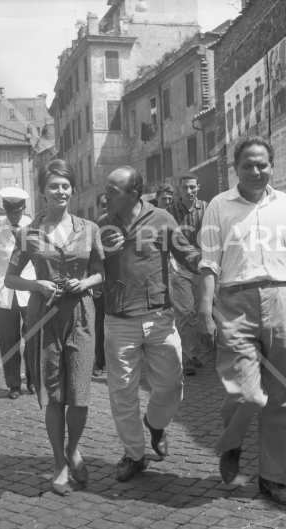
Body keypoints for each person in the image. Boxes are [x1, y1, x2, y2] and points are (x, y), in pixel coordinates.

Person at [197, 137, 286, 506]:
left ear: (271, 166)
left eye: (262, 164)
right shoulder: (219, 207)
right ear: (234, 168)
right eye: (247, 165)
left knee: (284, 397)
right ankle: (231, 444)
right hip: (234, 303)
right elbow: (209, 263)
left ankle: (274, 477)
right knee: (245, 393)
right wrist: (205, 311)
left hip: (283, 301)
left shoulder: (284, 203)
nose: (255, 171)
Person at [5, 160, 104, 496]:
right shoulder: (26, 233)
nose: (60, 192)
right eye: (53, 187)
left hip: (81, 315)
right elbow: (10, 277)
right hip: (45, 317)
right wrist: (38, 286)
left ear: (71, 189)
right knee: (55, 397)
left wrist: (85, 281)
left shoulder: (89, 229)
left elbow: (100, 272)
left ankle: (73, 448)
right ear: (43, 192)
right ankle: (59, 463)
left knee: (79, 394)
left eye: (65, 186)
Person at [98, 166, 201, 482]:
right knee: (122, 394)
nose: (105, 196)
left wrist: (210, 267)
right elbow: (87, 265)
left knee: (172, 387)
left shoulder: (161, 219)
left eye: (112, 191)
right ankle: (134, 454)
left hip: (159, 317)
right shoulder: (101, 226)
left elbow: (187, 254)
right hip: (118, 322)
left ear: (132, 194)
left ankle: (155, 424)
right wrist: (102, 250)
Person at [0, 187, 36, 400]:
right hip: (3, 291)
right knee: (7, 340)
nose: (14, 215)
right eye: (10, 211)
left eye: (18, 211)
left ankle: (32, 378)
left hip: (30, 290)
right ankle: (13, 383)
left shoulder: (33, 226)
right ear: (4, 208)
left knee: (33, 337)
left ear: (24, 208)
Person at [166, 173, 208, 376]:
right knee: (184, 312)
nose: (189, 191)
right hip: (180, 267)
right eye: (185, 188)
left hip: (202, 267)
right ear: (179, 190)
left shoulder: (207, 208)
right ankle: (188, 356)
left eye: (193, 187)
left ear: (198, 187)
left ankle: (196, 352)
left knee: (202, 311)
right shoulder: (170, 212)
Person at [93, 192, 108, 378]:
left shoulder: (118, 226)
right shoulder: (93, 228)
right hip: (99, 283)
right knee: (98, 325)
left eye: (109, 204)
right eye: (103, 204)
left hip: (117, 284)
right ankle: (99, 361)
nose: (106, 207)